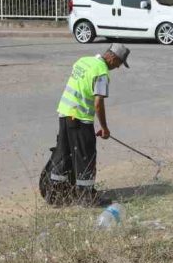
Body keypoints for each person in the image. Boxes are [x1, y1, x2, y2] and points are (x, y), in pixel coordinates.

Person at [50, 44, 129, 203]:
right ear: (112, 58)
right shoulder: (102, 72)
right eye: (119, 63)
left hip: (65, 112)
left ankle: (56, 195)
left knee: (63, 153)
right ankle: (86, 197)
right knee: (85, 155)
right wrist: (104, 128)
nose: (118, 67)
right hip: (80, 118)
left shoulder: (83, 61)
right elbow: (98, 103)